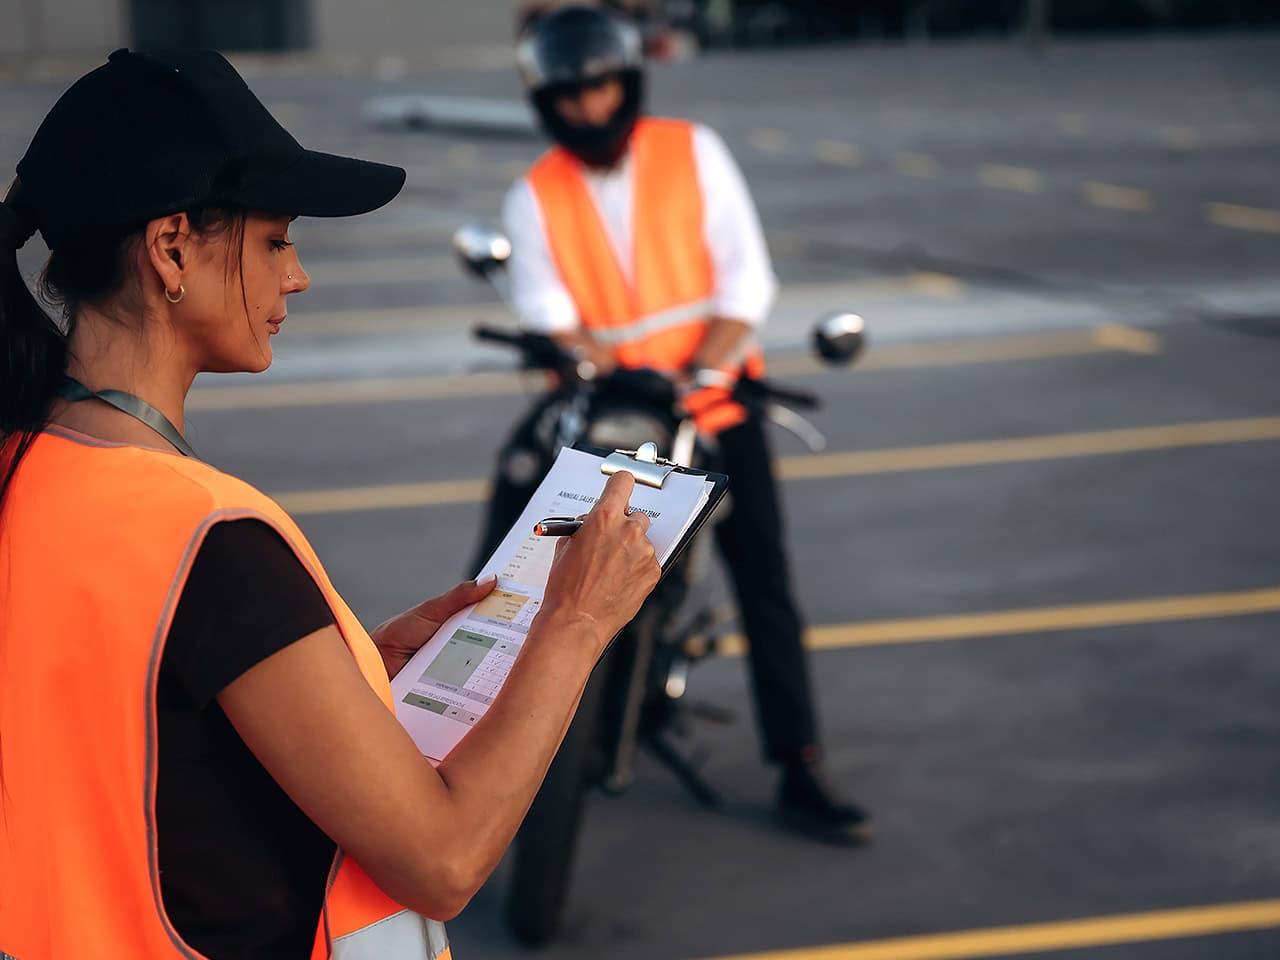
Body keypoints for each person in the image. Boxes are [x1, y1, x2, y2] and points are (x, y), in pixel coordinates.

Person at [0, 48, 661, 959]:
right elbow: (445, 860)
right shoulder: (204, 539)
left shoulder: (26, 466)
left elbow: (130, 741)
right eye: (275, 240)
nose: (297, 275)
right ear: (171, 248)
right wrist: (577, 620)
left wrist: (344, 675)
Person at [471, 5, 872, 844]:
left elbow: (744, 289)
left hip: (716, 405)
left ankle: (799, 763)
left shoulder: (695, 153)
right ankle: (466, 736)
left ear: (630, 80)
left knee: (764, 578)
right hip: (610, 415)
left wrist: (709, 372)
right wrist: (597, 365)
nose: (590, 107)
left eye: (604, 86)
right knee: (511, 555)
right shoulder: (532, 195)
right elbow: (550, 314)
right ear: (547, 101)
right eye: (572, 95)